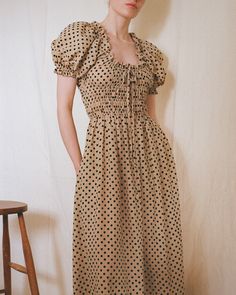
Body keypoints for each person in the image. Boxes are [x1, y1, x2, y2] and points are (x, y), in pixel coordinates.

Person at [51, 0, 185, 294]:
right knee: (105, 252)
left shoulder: (149, 54)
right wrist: (81, 167)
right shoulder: (81, 39)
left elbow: (151, 117)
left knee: (155, 249)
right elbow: (64, 108)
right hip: (103, 160)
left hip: (151, 161)